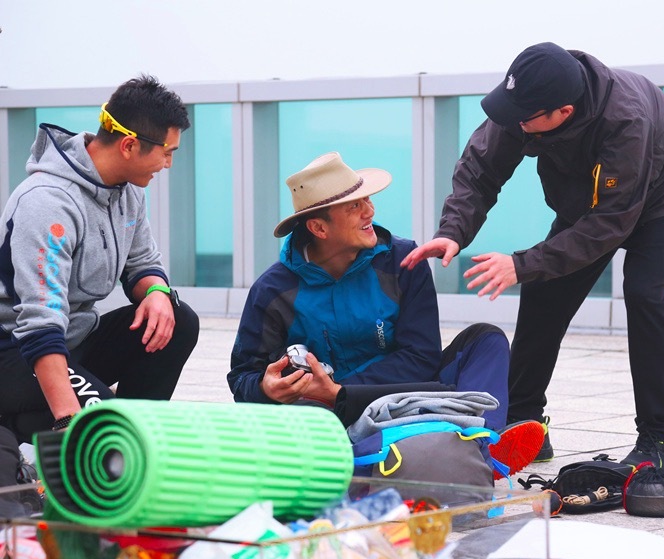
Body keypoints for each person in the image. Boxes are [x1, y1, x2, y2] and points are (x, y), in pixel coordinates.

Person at [401, 42, 664, 470]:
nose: (516, 124)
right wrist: (453, 231)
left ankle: (659, 437)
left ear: (564, 112)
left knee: (644, 295)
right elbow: (479, 168)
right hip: (589, 196)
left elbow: (609, 224)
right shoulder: (526, 103)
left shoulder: (626, 121)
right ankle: (525, 422)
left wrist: (520, 264)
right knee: (544, 291)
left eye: (525, 119)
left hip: (663, 190)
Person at [227, 152, 545, 477]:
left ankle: (481, 446)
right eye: (354, 206)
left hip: (406, 396)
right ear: (319, 227)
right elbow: (242, 376)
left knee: (486, 340)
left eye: (367, 199)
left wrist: (342, 391)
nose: (370, 211)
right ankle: (446, 451)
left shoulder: (404, 260)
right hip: (326, 414)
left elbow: (421, 357)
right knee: (297, 424)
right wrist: (267, 388)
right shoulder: (272, 290)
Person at [0, 75, 200, 443]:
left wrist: (157, 292)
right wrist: (68, 419)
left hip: (74, 340)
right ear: (129, 145)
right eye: (167, 152)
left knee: (178, 319)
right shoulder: (47, 204)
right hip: (17, 349)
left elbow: (142, 263)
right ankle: (34, 424)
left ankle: (133, 434)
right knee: (108, 428)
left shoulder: (128, 191)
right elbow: (39, 324)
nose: (168, 164)